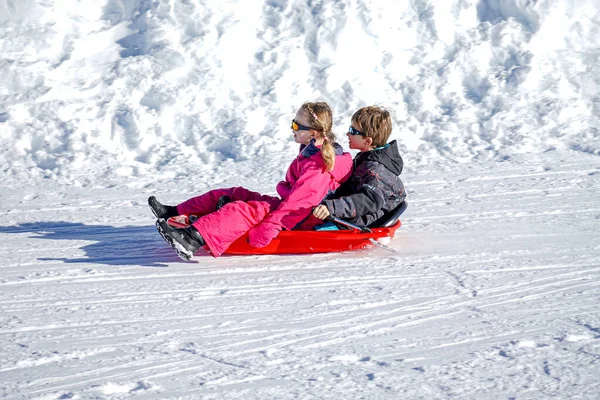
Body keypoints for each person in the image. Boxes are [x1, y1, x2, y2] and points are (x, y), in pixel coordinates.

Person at [150, 102, 353, 260]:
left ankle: (191, 239)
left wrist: (271, 226)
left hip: (301, 218)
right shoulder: (312, 150)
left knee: (246, 210)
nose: (292, 128)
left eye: (296, 125)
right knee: (234, 193)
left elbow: (301, 204)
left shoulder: (318, 165)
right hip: (290, 206)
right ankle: (175, 212)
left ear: (313, 133)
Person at [312, 106, 406, 227]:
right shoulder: (366, 157)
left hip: (361, 223)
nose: (347, 134)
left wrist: (331, 207)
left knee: (313, 232)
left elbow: (367, 201)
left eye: (352, 131)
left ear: (368, 141)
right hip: (350, 214)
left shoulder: (377, 171)